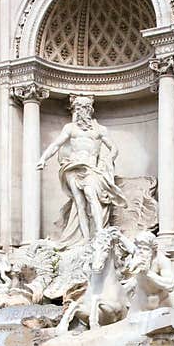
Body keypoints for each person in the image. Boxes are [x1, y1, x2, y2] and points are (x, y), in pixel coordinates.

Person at [37, 95, 127, 248]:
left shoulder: (100, 130)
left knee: (91, 195)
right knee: (79, 203)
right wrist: (43, 158)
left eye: (83, 108)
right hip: (72, 167)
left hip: (91, 168)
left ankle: (100, 233)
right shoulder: (70, 128)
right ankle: (85, 238)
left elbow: (114, 148)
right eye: (77, 108)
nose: (80, 111)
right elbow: (55, 145)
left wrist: (107, 160)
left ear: (89, 110)